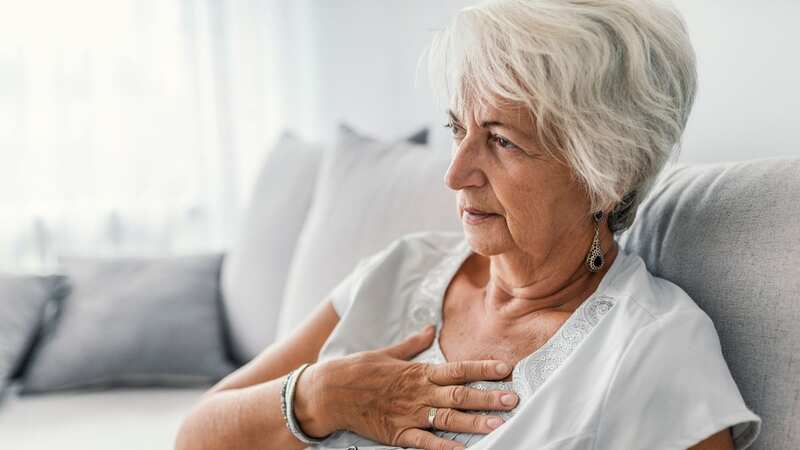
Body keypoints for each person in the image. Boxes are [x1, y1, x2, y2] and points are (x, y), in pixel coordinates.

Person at [175, 1, 761, 449]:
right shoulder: (401, 270)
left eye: (502, 142)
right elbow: (196, 434)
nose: (456, 174)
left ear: (607, 173)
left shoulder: (651, 345)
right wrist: (321, 395)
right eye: (460, 130)